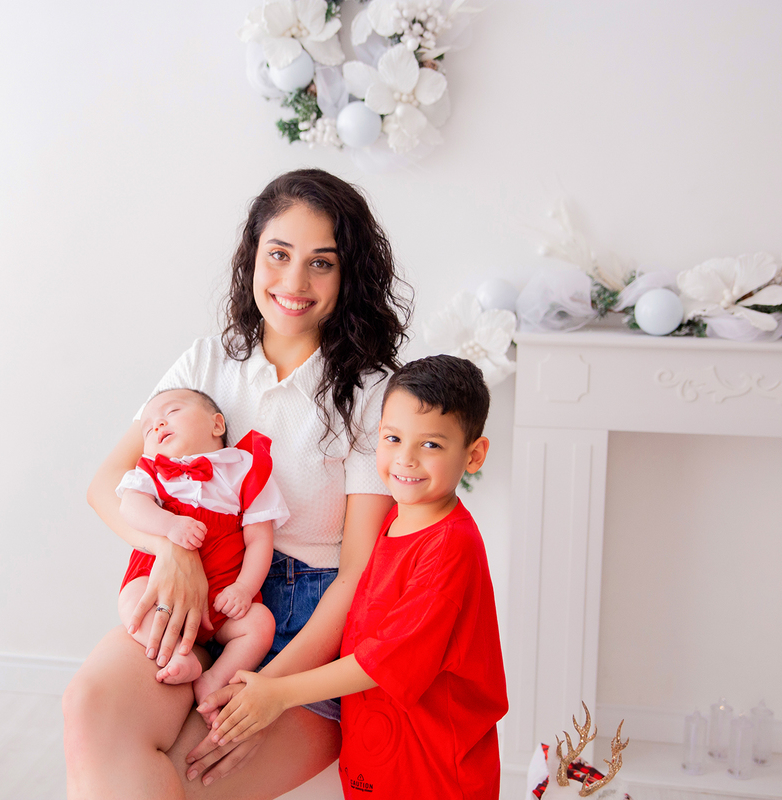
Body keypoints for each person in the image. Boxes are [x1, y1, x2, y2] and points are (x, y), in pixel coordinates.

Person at [63, 168, 410, 799]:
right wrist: (173, 550)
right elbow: (108, 483)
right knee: (90, 708)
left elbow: (361, 575)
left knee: (182, 774)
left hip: (307, 631)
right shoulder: (206, 362)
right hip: (195, 595)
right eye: (278, 255)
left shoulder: (373, 393)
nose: (294, 283)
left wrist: (277, 690)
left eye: (321, 263)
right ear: (252, 255)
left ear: (349, 275)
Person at [203, 355, 508, 800]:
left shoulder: (449, 547)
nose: (405, 459)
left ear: (474, 455)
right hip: (380, 759)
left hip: (435, 772)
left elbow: (386, 662)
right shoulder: (393, 523)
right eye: (393, 438)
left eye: (432, 445)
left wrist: (278, 693)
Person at [118, 387, 287, 707]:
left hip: (222, 590)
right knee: (130, 601)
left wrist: (244, 588)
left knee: (260, 624)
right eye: (148, 427)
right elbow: (130, 508)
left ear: (217, 425)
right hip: (161, 582)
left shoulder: (245, 467)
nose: (157, 425)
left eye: (172, 413)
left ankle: (214, 678)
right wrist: (170, 526)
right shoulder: (151, 471)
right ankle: (177, 654)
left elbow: (259, 538)